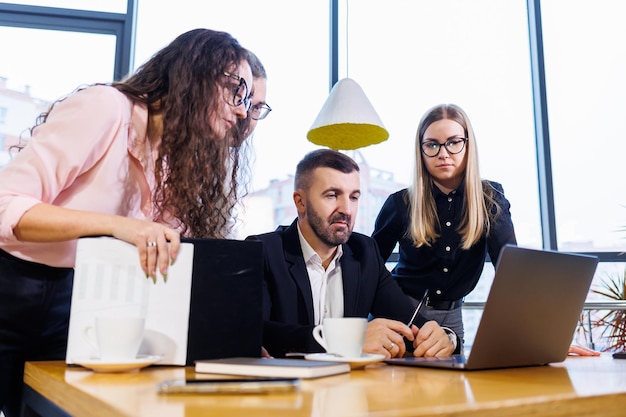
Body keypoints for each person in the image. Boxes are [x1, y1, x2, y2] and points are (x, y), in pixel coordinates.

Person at [0, 28, 256, 417]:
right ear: (197, 75)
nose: (241, 111)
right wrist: (115, 225)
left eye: (248, 101)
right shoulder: (106, 107)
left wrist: (238, 341)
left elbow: (178, 255)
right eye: (237, 91)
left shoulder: (175, 160)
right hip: (11, 286)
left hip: (74, 309)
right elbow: (7, 204)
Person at [246, 149, 458, 359]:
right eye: (332, 195)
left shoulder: (365, 253)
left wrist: (443, 338)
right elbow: (257, 333)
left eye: (354, 197)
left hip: (351, 387)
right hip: (287, 388)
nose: (346, 209)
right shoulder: (262, 252)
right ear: (300, 201)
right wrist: (349, 341)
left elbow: (410, 324)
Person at [372, 103, 517, 347]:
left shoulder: (490, 199)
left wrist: (538, 332)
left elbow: (512, 271)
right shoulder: (401, 203)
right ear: (421, 150)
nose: (443, 153)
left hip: (452, 318)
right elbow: (369, 267)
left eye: (453, 142)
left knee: (450, 383)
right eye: (432, 144)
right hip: (399, 312)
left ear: (467, 145)